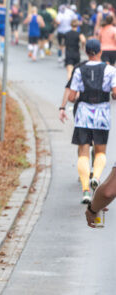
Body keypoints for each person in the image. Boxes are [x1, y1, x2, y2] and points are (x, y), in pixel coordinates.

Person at [61, 39, 116, 204]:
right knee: (100, 152)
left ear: (86, 53)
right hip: (102, 113)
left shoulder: (79, 70)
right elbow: (115, 93)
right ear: (100, 52)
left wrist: (71, 100)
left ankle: (85, 190)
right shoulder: (110, 70)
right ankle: (96, 178)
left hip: (84, 113)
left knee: (83, 152)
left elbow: (72, 96)